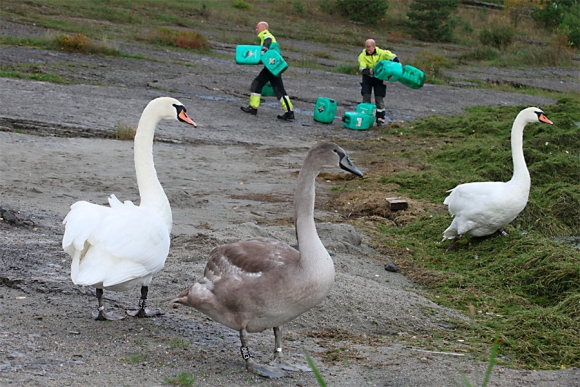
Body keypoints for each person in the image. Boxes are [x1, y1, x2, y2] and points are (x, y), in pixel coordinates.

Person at [241, 21, 295, 121]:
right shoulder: (266, 36)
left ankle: (253, 108)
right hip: (275, 66)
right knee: (279, 89)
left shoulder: (266, 34)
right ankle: (289, 112)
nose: (256, 29)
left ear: (263, 28)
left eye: (257, 27)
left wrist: (264, 48)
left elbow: (267, 41)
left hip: (272, 66)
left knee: (257, 84)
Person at [358, 39, 399, 126]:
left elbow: (393, 57)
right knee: (366, 97)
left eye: (369, 48)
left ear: (374, 46)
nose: (368, 50)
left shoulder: (381, 53)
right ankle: (366, 117)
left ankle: (380, 118)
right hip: (367, 78)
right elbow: (362, 69)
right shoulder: (362, 55)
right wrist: (369, 71)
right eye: (366, 48)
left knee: (379, 98)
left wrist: (395, 65)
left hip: (379, 78)